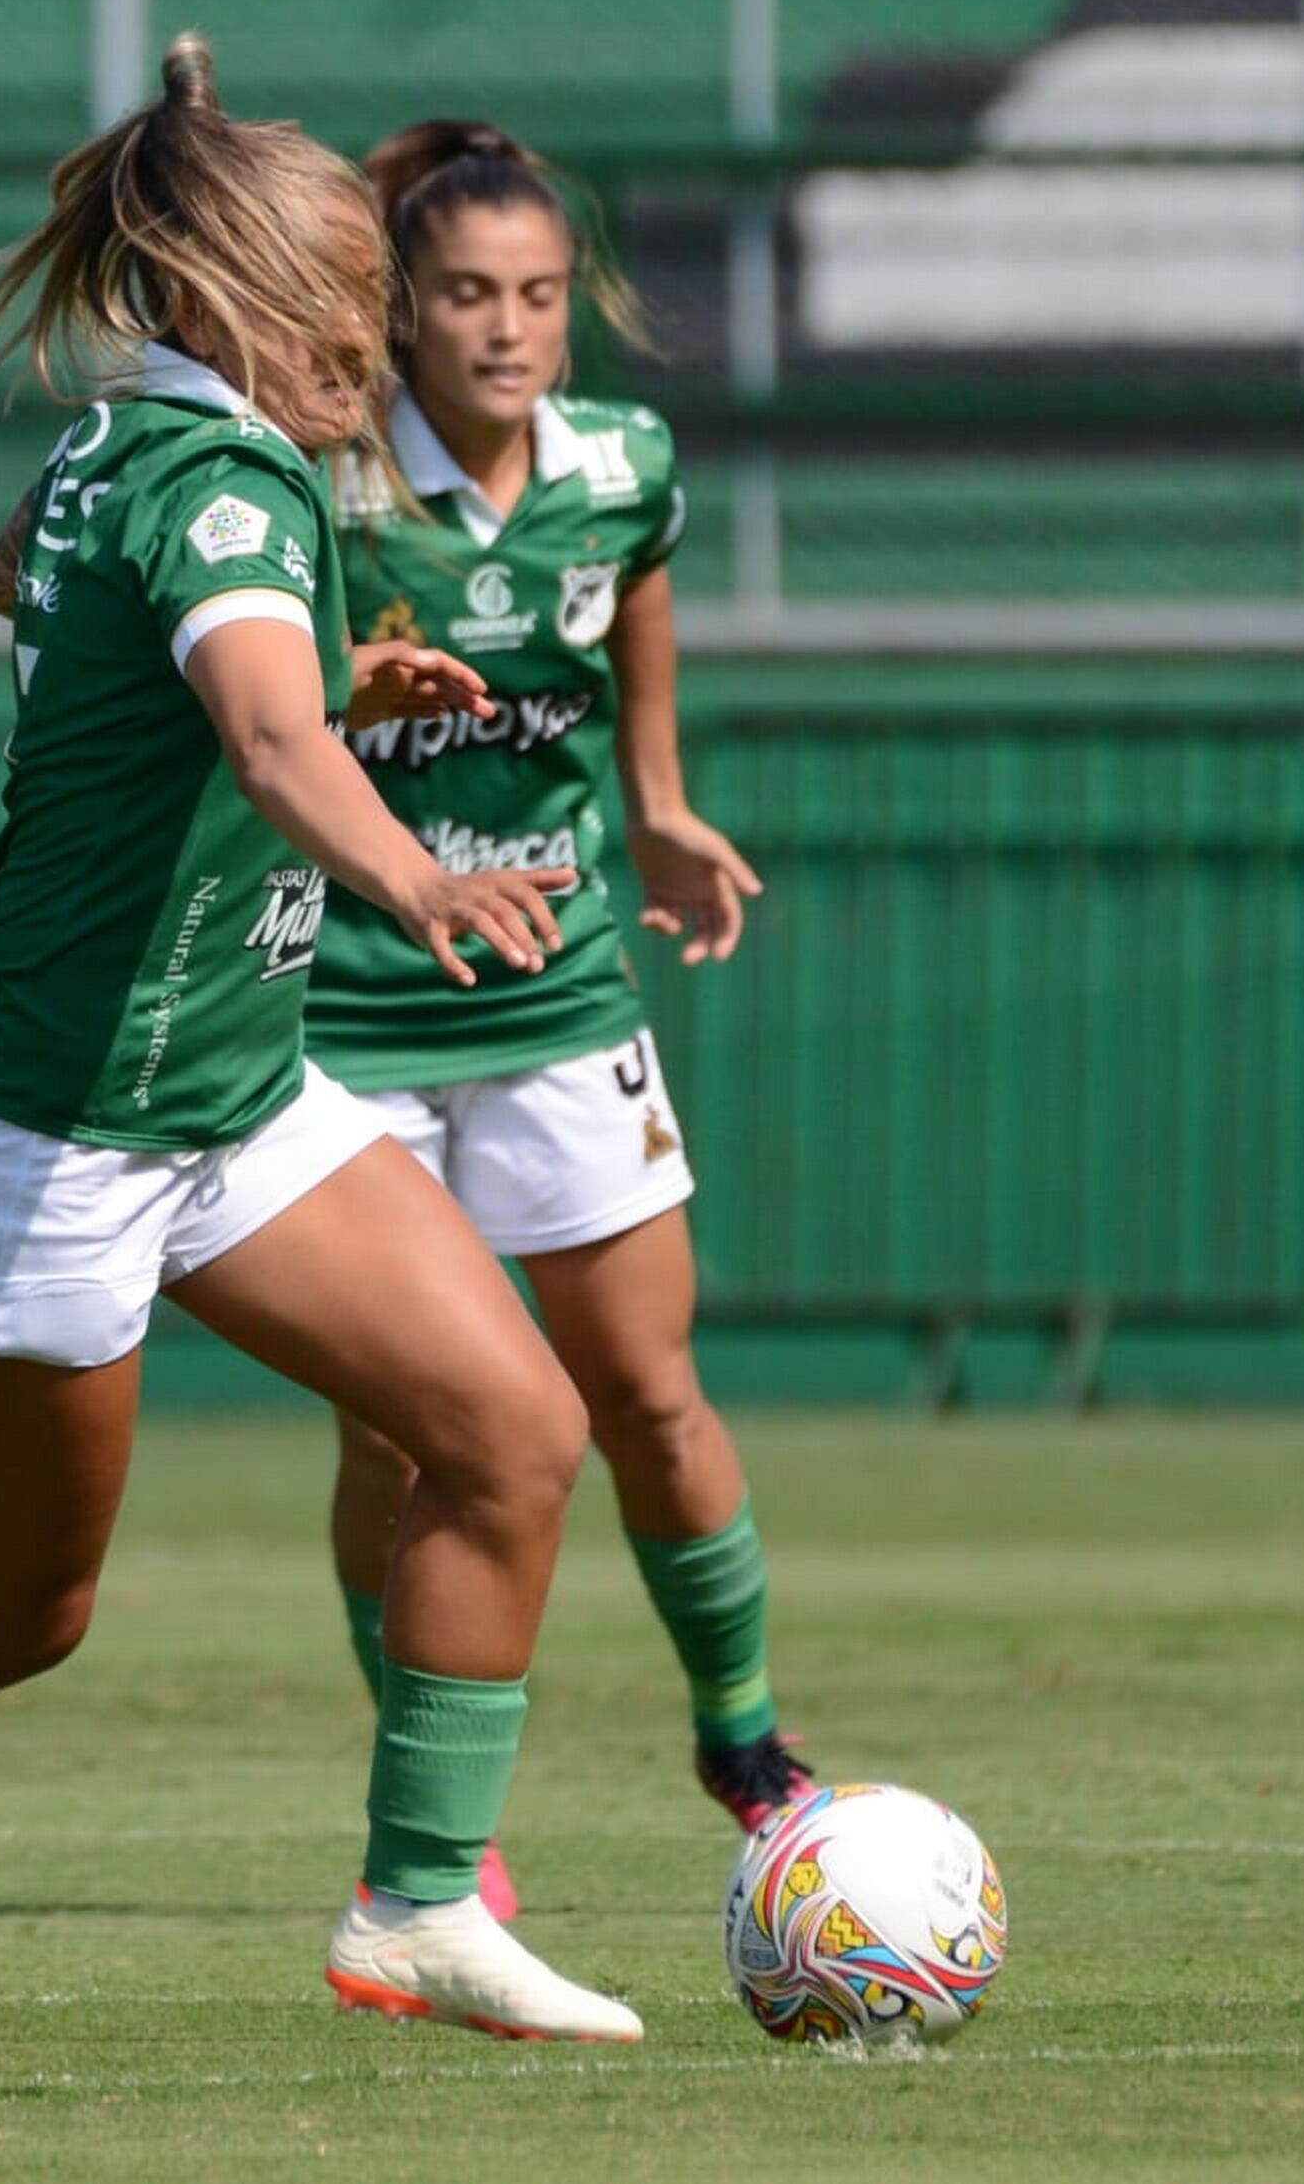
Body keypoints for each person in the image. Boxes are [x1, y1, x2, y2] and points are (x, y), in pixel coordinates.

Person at [0, 38, 643, 2051]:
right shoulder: (223, 475)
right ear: (212, 302)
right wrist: (401, 863)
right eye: (335, 303)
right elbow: (257, 736)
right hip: (41, 1131)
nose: (365, 339)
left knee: (511, 1429)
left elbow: (38, 587)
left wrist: (302, 667)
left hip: (233, 1098)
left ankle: (417, 1905)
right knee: (16, 1607)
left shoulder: (121, 459)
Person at [305, 123, 803, 1924]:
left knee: (649, 1391)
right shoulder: (328, 474)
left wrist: (657, 797)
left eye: (535, 295)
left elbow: (637, 593)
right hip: (351, 1010)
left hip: (561, 984)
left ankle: (743, 1735)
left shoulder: (622, 463)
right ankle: (437, 1803)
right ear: (403, 310)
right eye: (464, 295)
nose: (506, 330)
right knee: (403, 1434)